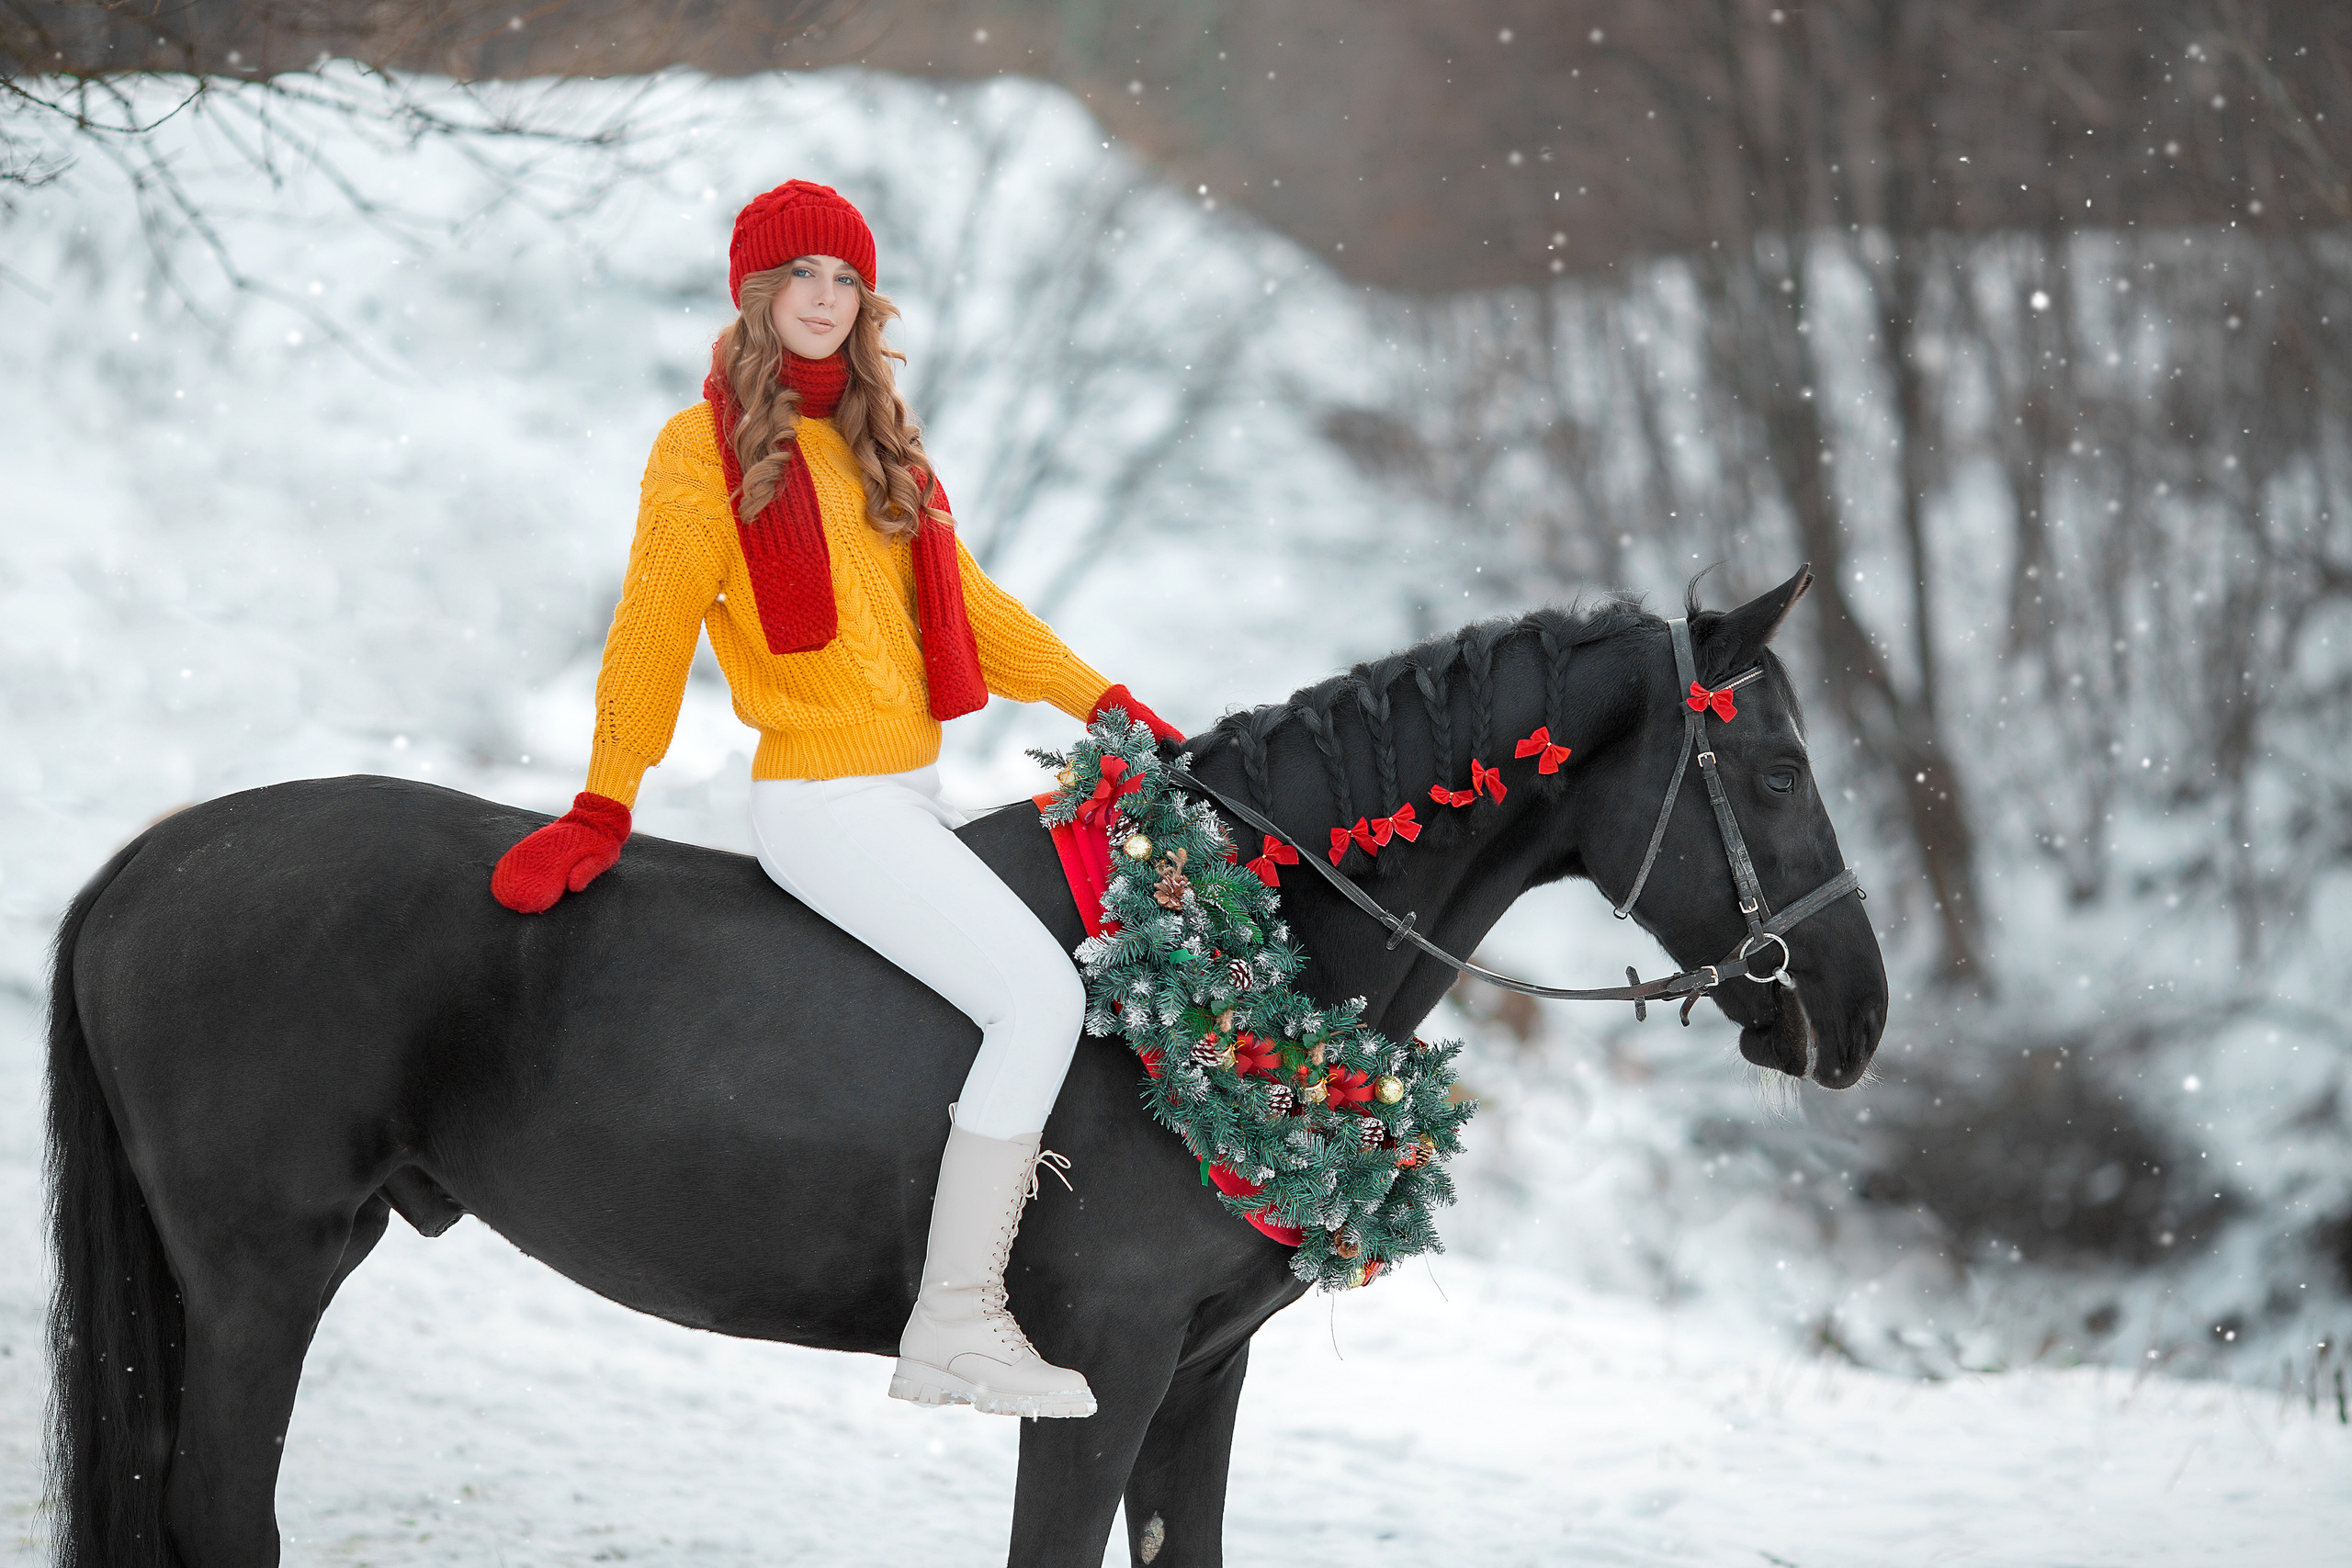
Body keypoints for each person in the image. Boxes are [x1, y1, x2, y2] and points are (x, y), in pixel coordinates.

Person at [487, 179, 1182, 1420]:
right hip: (819, 800)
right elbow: (647, 638)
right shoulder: (700, 450)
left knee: (1025, 989)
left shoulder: (883, 448)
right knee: (1040, 997)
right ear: (756, 292)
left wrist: (1107, 705)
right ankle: (955, 1320)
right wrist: (603, 804)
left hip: (904, 793)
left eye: (844, 277)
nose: (822, 297)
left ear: (865, 301)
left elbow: (973, 614)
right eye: (799, 274)